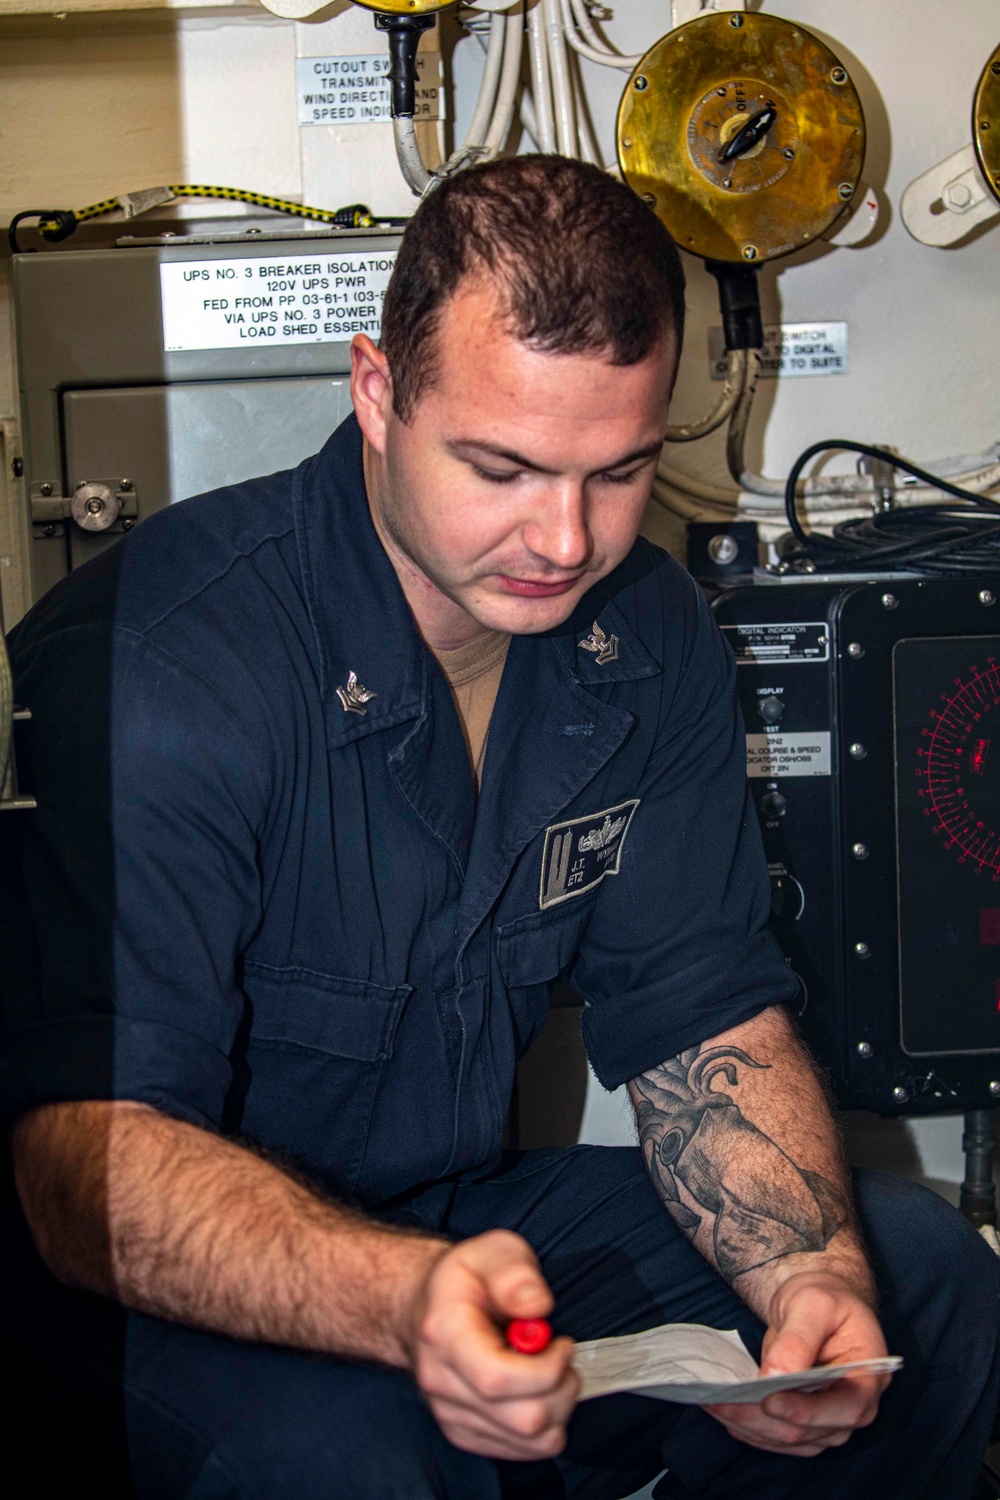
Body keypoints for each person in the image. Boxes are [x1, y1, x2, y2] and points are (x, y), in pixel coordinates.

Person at [1, 154, 998, 1500]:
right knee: (353, 1458)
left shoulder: (645, 637)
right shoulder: (168, 661)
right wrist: (406, 1302)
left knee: (918, 1288)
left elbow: (701, 1015)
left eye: (620, 471)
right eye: (504, 466)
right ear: (377, 392)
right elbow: (93, 1168)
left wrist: (807, 1277)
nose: (565, 537)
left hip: (455, 1226)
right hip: (156, 1299)